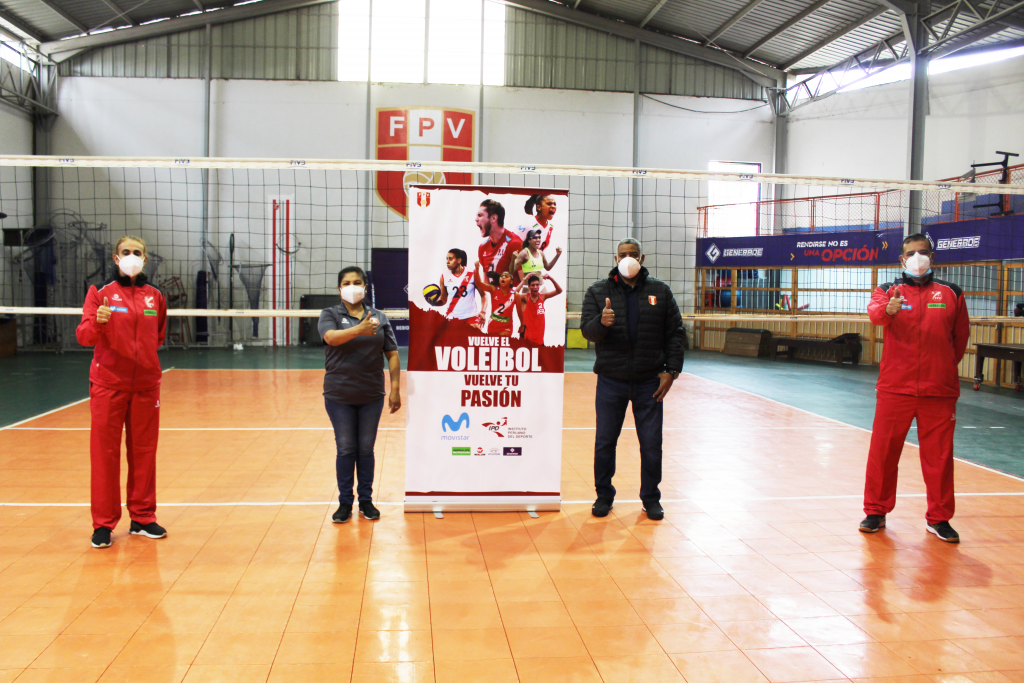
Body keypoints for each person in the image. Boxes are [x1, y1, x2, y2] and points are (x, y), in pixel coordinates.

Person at [861, 233, 970, 543]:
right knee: (883, 453)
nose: (917, 257)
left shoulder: (952, 293)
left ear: (932, 257)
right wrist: (890, 309)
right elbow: (875, 315)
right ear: (902, 259)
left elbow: (959, 340)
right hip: (896, 388)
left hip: (939, 391)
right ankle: (876, 511)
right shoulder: (887, 291)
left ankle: (939, 518)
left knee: (939, 458)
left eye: (923, 252)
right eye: (911, 253)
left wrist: (945, 368)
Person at [580, 238, 684, 521]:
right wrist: (601, 322)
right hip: (611, 380)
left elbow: (675, 333)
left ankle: (650, 498)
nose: (628, 259)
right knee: (605, 441)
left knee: (651, 443)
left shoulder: (660, 291)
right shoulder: (598, 291)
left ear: (642, 257)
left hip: (649, 381)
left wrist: (671, 370)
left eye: (633, 254)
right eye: (623, 255)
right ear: (615, 259)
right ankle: (604, 496)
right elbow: (586, 331)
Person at [76, 235, 168, 549]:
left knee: (144, 453)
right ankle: (103, 524)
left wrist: (142, 363)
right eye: (126, 252)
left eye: (137, 253)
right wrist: (99, 323)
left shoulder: (155, 296)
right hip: (108, 386)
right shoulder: (99, 293)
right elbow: (84, 337)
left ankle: (142, 517)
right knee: (105, 454)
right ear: (116, 259)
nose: (131, 257)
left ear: (145, 258)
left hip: (145, 386)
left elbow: (158, 336)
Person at [319, 266, 401, 524]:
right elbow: (331, 338)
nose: (352, 286)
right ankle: (345, 503)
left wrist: (395, 387)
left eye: (357, 282)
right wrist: (358, 329)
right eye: (346, 282)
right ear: (339, 288)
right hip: (339, 395)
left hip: (371, 395)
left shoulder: (379, 317)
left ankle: (365, 500)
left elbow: (392, 353)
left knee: (365, 450)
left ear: (365, 287)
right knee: (346, 449)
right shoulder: (330, 313)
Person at [477, 199, 523, 281]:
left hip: (512, 293)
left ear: (493, 218)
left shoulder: (514, 243)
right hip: (493, 293)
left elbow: (526, 284)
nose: (476, 219)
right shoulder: (482, 247)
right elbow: (487, 284)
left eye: (480, 215)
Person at [437, 248, 480, 327]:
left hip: (471, 316)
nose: (447, 262)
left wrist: (483, 311)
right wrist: (433, 303)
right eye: (447, 259)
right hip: (453, 317)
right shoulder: (444, 276)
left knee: (474, 338)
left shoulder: (472, 273)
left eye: (450, 259)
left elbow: (483, 295)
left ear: (459, 260)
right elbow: (443, 300)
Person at [516, 272, 562, 345]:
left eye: (537, 285)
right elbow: (513, 294)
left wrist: (551, 278)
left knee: (540, 356)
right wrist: (524, 279)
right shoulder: (525, 297)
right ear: (529, 287)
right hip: (526, 335)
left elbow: (559, 291)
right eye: (533, 285)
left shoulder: (543, 297)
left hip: (539, 337)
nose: (535, 287)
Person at [475, 263, 517, 336]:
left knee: (503, 343)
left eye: (506, 276)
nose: (503, 277)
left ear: (511, 281)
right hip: (493, 325)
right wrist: (477, 269)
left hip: (506, 327)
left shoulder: (515, 294)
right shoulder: (493, 289)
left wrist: (522, 325)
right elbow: (478, 283)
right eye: (502, 276)